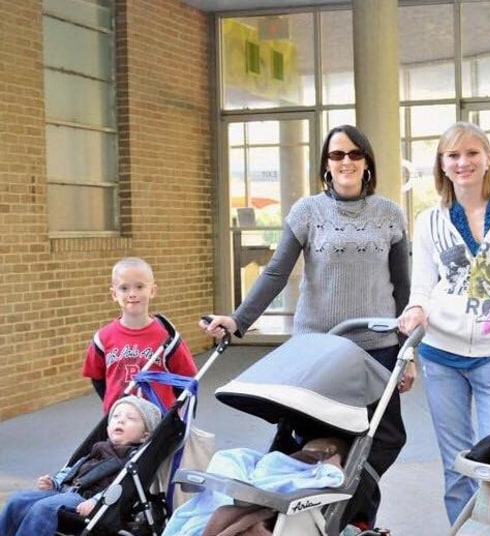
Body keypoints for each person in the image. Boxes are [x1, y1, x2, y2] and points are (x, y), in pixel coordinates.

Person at [201, 124, 412, 532]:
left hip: (376, 349)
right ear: (325, 165)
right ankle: (287, 522)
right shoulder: (307, 211)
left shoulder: (388, 213)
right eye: (337, 155)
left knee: (377, 442)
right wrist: (238, 320)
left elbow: (403, 288)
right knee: (313, 442)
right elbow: (277, 272)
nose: (346, 161)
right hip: (320, 352)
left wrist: (408, 352)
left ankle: (353, 522)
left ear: (367, 162)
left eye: (354, 154)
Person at [397, 121, 490, 525]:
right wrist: (416, 310)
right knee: (455, 467)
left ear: (487, 159)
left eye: (471, 153)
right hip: (441, 355)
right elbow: (423, 288)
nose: (463, 162)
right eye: (453, 155)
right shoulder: (430, 220)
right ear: (442, 165)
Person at [0, 396, 161, 536]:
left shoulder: (132, 457)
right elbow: (75, 468)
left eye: (131, 418)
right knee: (17, 500)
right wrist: (54, 483)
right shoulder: (99, 447)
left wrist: (97, 502)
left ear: (144, 436)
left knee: (44, 508)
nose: (120, 420)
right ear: (107, 428)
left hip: (85, 498)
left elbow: (121, 486)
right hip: (64, 491)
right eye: (116, 416)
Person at [82, 257, 198, 413]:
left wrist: (171, 412)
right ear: (114, 294)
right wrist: (113, 405)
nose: (132, 294)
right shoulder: (103, 338)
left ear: (152, 291)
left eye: (139, 287)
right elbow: (97, 378)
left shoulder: (167, 336)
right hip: (119, 422)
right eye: (124, 288)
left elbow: (185, 378)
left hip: (157, 422)